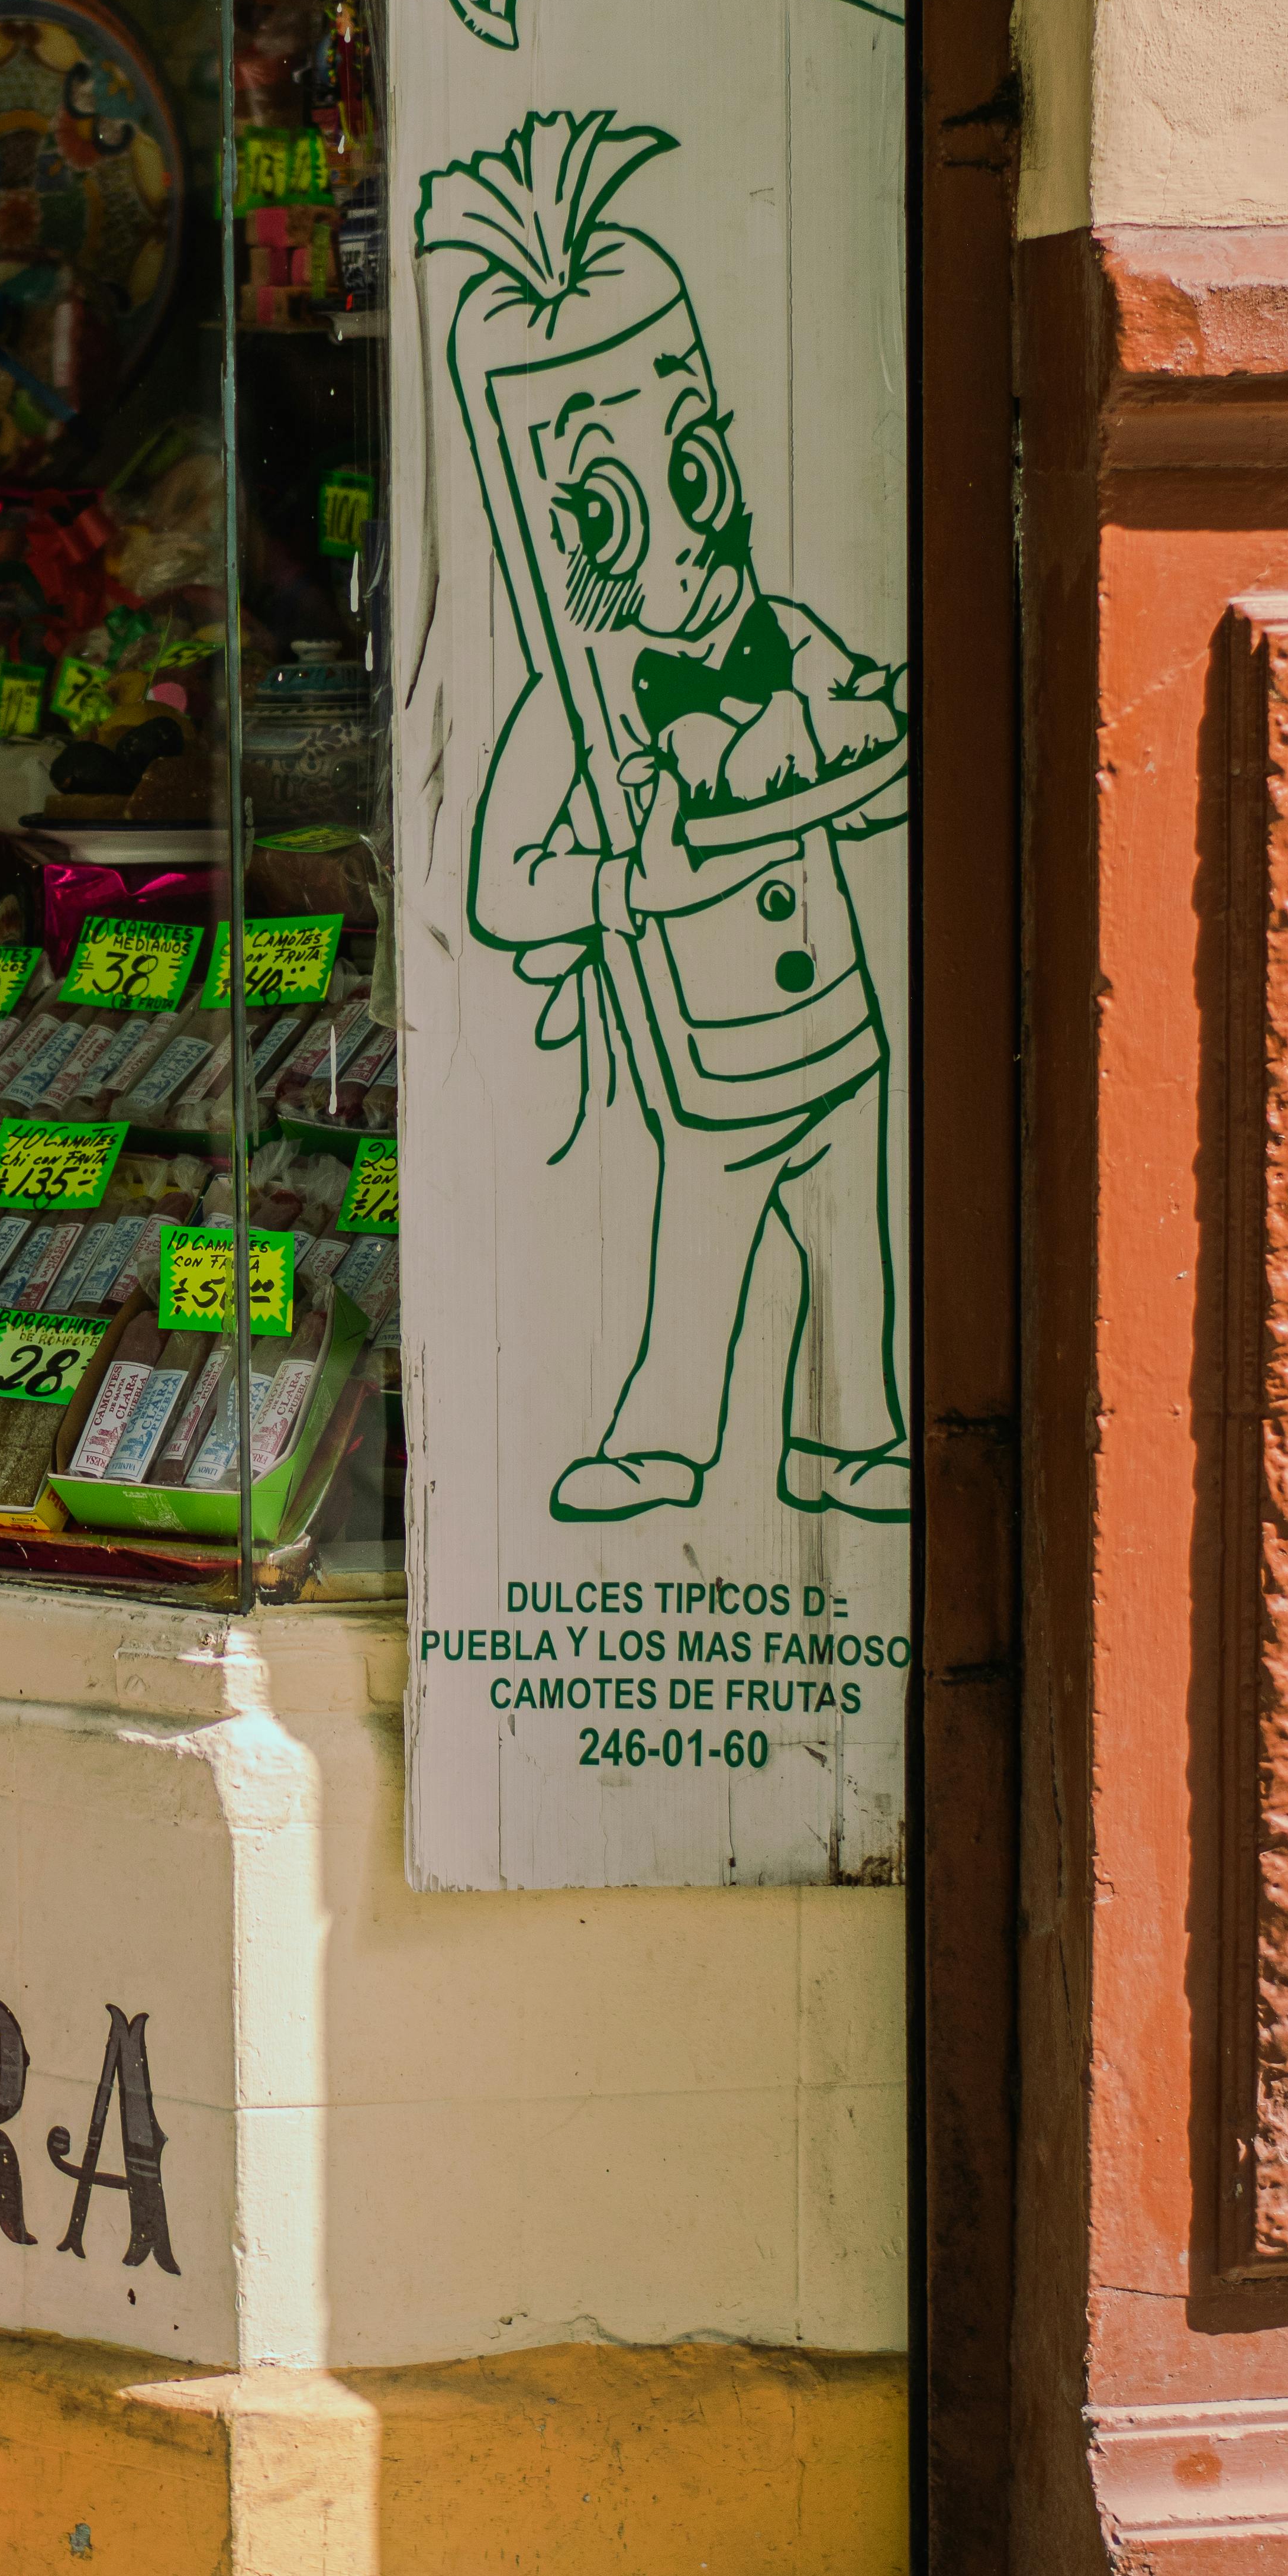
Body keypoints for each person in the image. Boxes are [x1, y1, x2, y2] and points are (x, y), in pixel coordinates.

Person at [419, 107, 911, 1525]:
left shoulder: (782, 633)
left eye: (691, 471)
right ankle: (663, 1435)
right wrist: (618, 885)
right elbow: (501, 891)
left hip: (838, 1026)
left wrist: (855, 725)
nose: (688, 538)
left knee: (852, 1247)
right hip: (700, 1048)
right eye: (612, 518)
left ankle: (851, 1435)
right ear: (549, 533)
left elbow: (863, 726)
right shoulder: (566, 726)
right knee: (695, 1245)